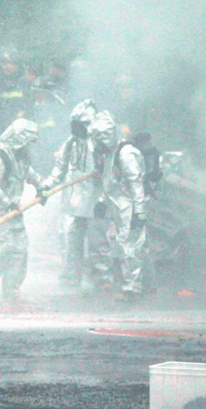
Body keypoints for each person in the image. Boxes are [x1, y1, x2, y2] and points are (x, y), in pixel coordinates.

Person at [0, 118, 46, 301]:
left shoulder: (19, 156)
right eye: (27, 142)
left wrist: (41, 186)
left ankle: (11, 290)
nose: (28, 146)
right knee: (4, 247)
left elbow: (26, 172)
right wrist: (7, 202)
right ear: (19, 139)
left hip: (12, 208)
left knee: (20, 248)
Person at [43, 99, 102, 287]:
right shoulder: (70, 144)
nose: (76, 129)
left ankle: (102, 277)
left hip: (97, 201)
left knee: (98, 240)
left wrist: (103, 198)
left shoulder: (101, 144)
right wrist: (47, 186)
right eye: (74, 124)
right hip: (76, 202)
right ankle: (71, 276)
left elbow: (110, 174)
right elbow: (59, 168)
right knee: (72, 238)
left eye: (80, 125)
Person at [91, 111, 149, 300]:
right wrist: (102, 201)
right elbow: (110, 180)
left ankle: (133, 288)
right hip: (118, 205)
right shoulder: (112, 153)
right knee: (122, 247)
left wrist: (139, 212)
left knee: (130, 248)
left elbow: (136, 184)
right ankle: (129, 285)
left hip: (129, 206)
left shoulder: (126, 153)